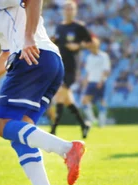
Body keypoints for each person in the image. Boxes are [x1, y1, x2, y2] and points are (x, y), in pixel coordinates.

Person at [0, 0, 86, 185]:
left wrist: (27, 38)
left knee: (1, 125)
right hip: (46, 59)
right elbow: (6, 54)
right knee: (22, 129)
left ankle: (67, 149)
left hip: (31, 56)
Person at [50, 1, 92, 138]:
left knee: (60, 96)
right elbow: (58, 41)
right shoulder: (59, 27)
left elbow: (91, 42)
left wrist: (78, 46)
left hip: (72, 68)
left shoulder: (79, 27)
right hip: (59, 66)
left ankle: (53, 130)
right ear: (63, 11)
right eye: (66, 8)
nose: (68, 11)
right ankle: (84, 125)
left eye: (71, 9)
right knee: (67, 100)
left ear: (75, 11)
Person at [82, 37, 111, 127]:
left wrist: (101, 81)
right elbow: (88, 71)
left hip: (99, 82)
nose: (91, 48)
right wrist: (85, 81)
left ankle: (102, 122)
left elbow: (106, 70)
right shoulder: (89, 57)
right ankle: (93, 120)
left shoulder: (104, 56)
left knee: (101, 101)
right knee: (85, 101)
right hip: (91, 82)